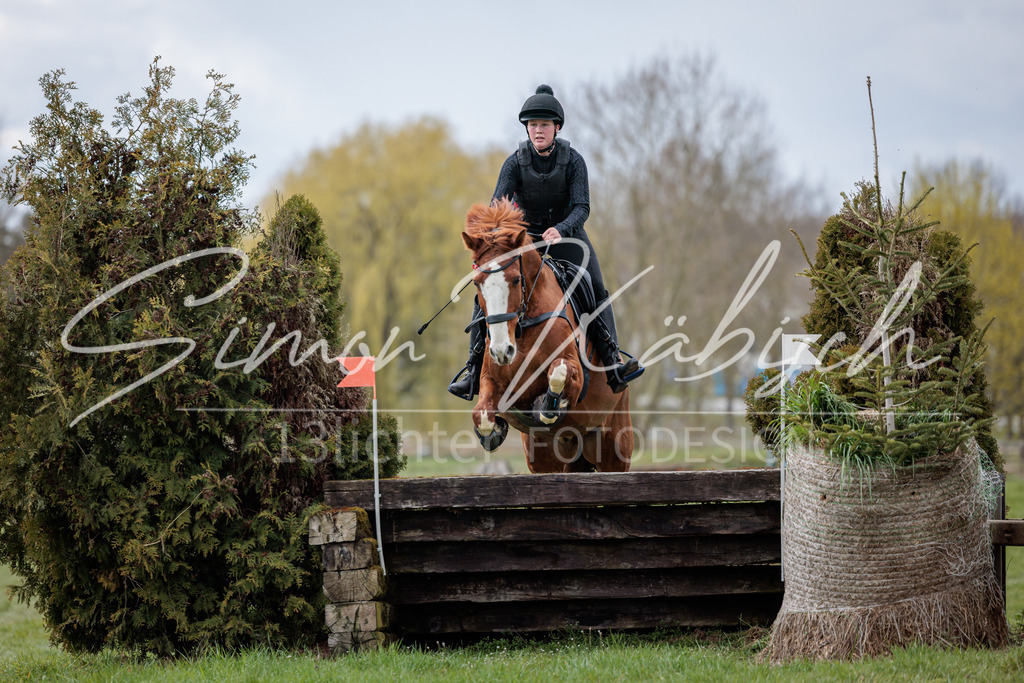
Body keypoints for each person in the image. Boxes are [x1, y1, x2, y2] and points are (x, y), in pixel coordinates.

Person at [448, 84, 643, 400]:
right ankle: (473, 371)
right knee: (490, 288)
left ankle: (612, 361)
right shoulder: (514, 163)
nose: (538, 130)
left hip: (568, 239)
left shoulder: (574, 161)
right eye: (533, 125)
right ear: (527, 128)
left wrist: (561, 229)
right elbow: (498, 201)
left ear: (557, 128)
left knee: (595, 287)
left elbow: (583, 206)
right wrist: (501, 231)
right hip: (525, 243)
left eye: (544, 125)